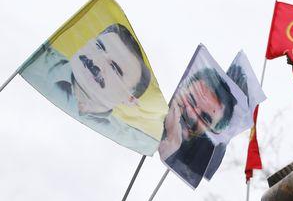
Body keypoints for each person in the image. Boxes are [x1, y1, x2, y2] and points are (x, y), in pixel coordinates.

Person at [20, 23, 157, 152]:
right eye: (99, 46)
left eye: (114, 68)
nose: (96, 61)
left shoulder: (127, 137)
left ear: (129, 99)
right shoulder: (36, 62)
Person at [159, 67, 236, 187]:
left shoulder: (190, 169)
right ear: (181, 89)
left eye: (205, 118)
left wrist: (170, 149)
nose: (192, 115)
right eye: (191, 100)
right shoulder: (145, 117)